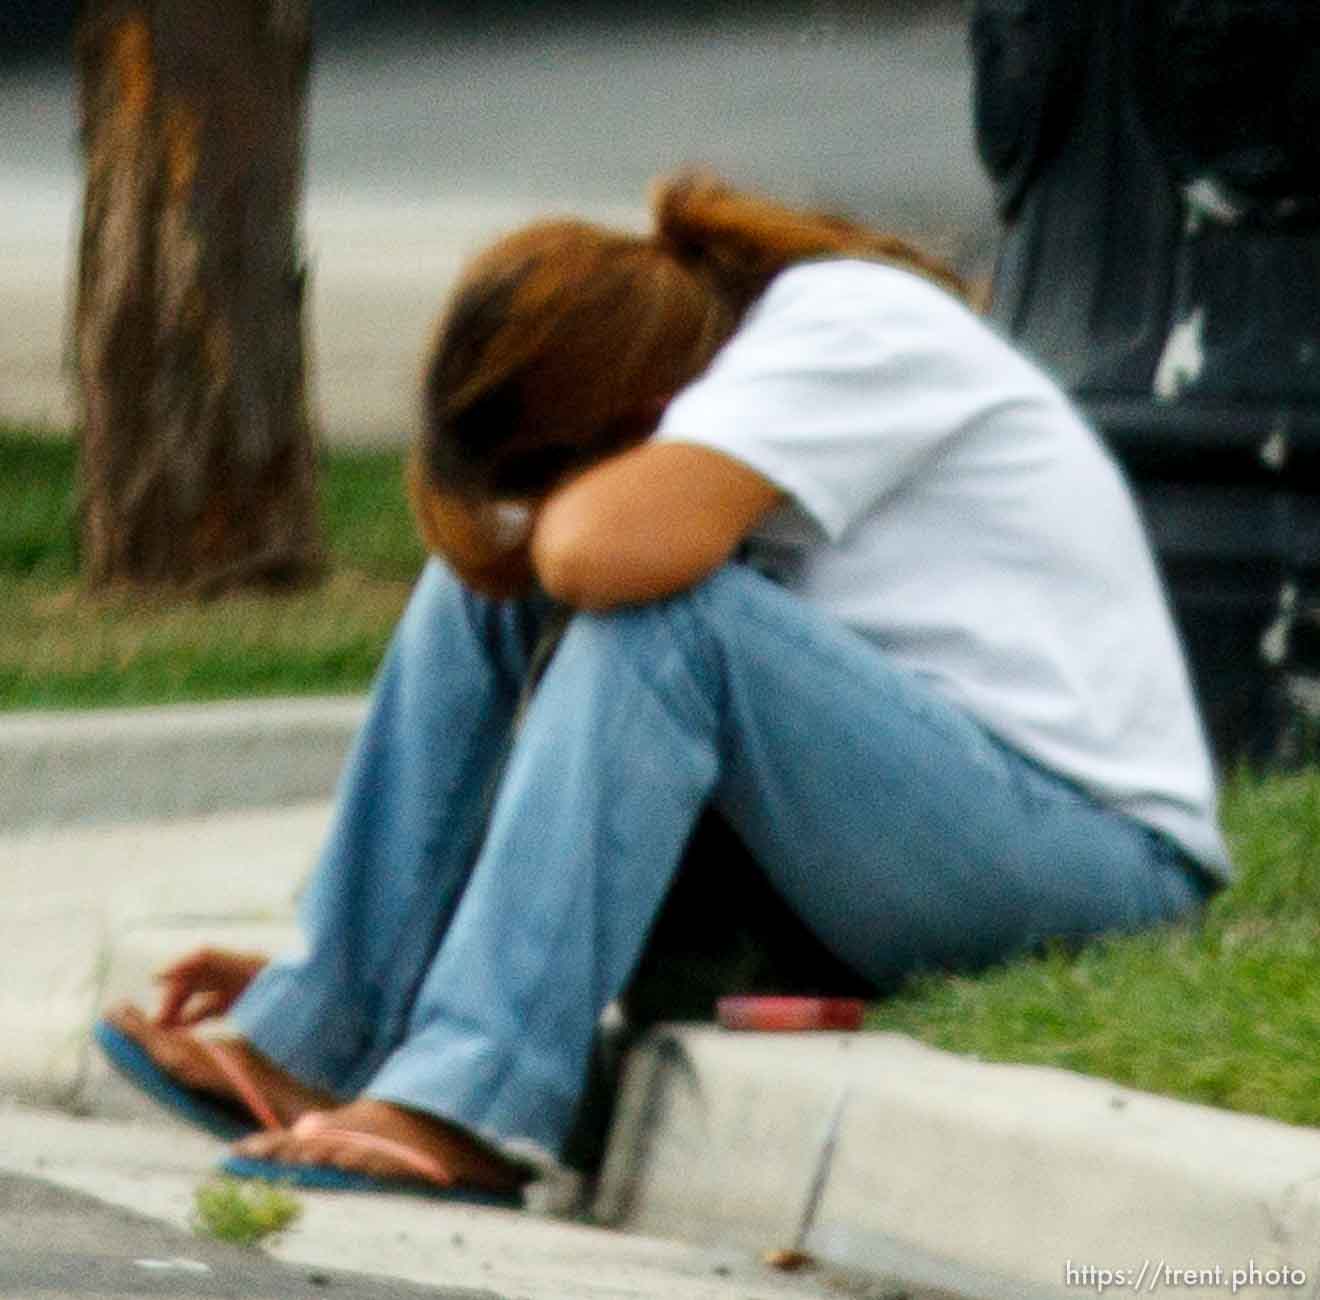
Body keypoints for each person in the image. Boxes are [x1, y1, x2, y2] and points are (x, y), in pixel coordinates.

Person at [97, 172, 1232, 1202]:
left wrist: (549, 529)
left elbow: (596, 557)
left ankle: (468, 1102)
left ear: (633, 414)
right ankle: (327, 1030)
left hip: (1092, 859)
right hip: (898, 853)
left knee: (666, 614)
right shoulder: (736, 370)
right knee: (486, 585)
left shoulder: (844, 325)